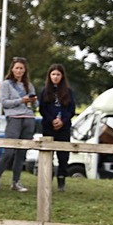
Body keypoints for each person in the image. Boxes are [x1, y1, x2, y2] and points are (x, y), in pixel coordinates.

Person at [0, 57, 39, 193]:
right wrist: (21, 100)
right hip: (14, 118)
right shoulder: (6, 84)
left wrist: (33, 100)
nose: (19, 70)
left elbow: (35, 105)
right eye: (16, 68)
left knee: (21, 153)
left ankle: (16, 182)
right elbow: (4, 102)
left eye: (21, 68)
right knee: (8, 152)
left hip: (28, 118)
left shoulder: (28, 85)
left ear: (25, 70)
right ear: (12, 69)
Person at [39, 63, 77, 192]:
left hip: (64, 128)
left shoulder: (68, 92)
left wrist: (62, 121)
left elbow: (71, 110)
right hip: (48, 127)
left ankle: (61, 182)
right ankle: (47, 180)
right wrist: (52, 121)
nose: (55, 77)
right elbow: (42, 109)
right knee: (48, 155)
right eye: (53, 74)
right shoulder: (45, 91)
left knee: (63, 156)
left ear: (62, 76)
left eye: (58, 74)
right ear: (49, 76)